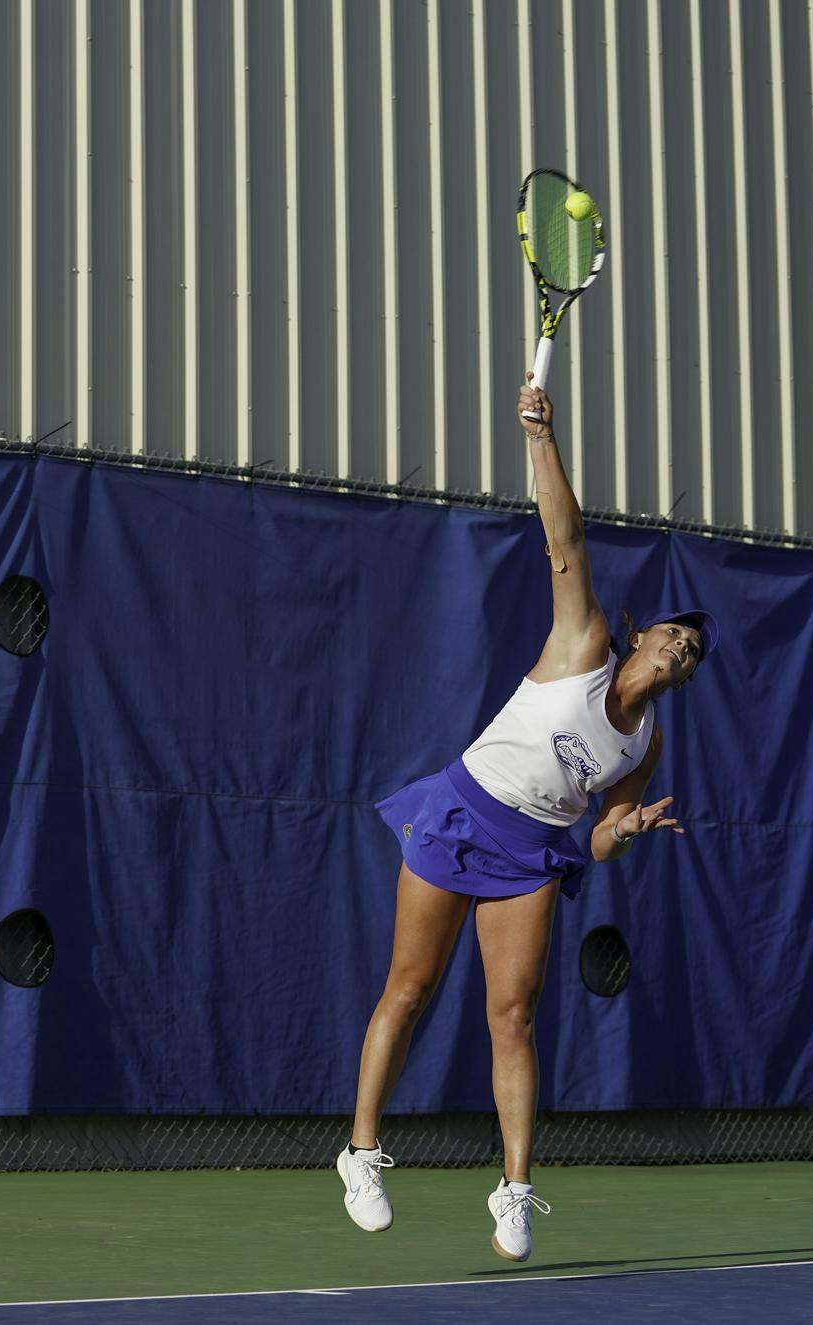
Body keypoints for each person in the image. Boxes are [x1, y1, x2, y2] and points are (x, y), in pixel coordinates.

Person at [335, 377, 717, 1262]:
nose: (681, 647)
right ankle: (360, 1151)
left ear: (685, 677)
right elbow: (564, 536)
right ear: (642, 633)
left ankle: (515, 1189)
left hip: (534, 852)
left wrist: (622, 834)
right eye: (674, 633)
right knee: (410, 988)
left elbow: (593, 838)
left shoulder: (642, 749)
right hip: (463, 810)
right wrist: (541, 437)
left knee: (514, 1014)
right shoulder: (582, 640)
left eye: (693, 653)